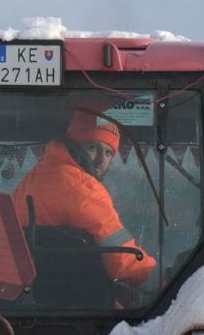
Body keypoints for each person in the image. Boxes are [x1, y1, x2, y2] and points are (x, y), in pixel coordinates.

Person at [12, 103, 154, 287]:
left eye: (109, 152)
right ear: (74, 145)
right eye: (93, 147)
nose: (101, 160)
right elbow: (122, 262)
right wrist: (156, 277)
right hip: (73, 296)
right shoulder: (84, 189)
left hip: (29, 292)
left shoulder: (35, 178)